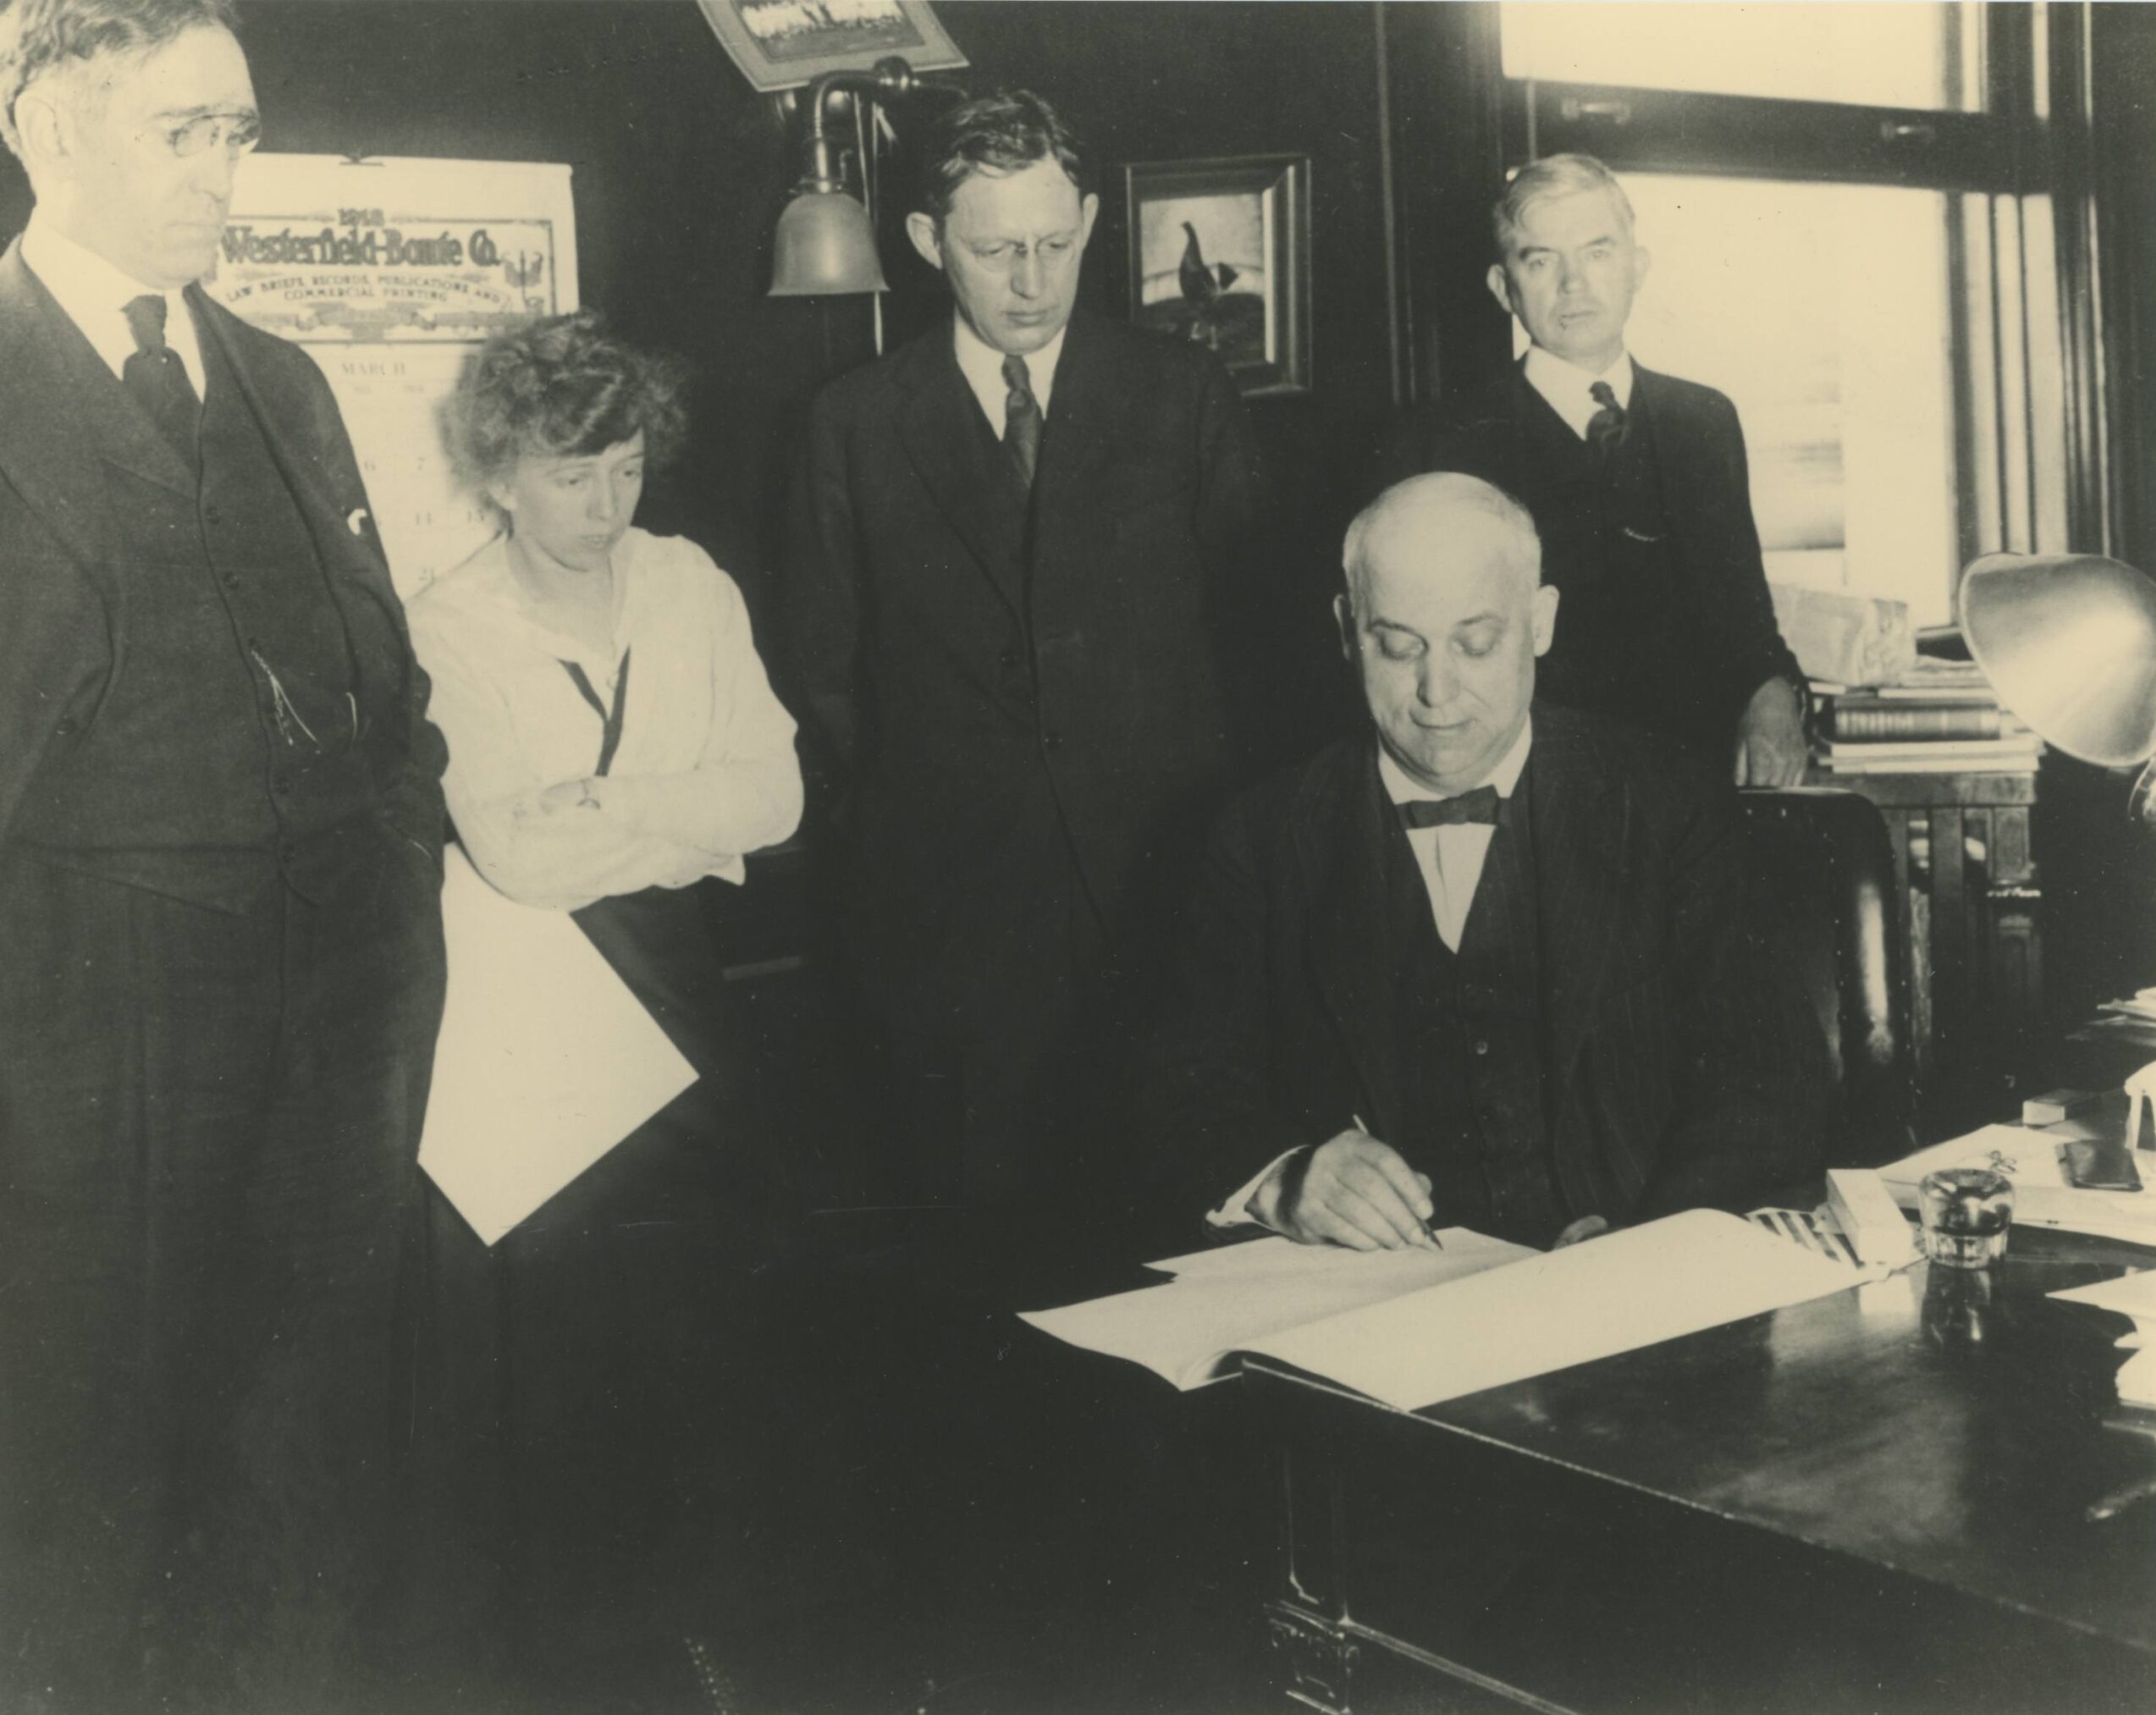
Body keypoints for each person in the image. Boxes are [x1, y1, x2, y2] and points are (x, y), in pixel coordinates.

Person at [0, 3, 448, 1709]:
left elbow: (378, 679)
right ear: (52, 138)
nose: (227, 172)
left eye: (240, 132)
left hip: (330, 1033)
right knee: (83, 1490)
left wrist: (396, 911)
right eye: (185, 132)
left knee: (302, 1467)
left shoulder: (282, 374)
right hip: (86, 1050)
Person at [405, 308, 804, 1695]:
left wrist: (615, 804)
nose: (603, 505)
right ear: (501, 469)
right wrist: (689, 822)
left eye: (626, 467)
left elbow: (778, 792)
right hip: (544, 1021)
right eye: (570, 475)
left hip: (686, 1005)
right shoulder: (446, 626)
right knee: (564, 1364)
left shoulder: (689, 583)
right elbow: (514, 856)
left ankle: (700, 1641)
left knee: (703, 1348)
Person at [784, 88, 1265, 1205]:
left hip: (1171, 891)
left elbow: (1257, 644)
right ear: (925, 242)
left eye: (1055, 244)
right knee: (985, 1247)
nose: (1033, 280)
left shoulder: (1180, 394)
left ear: (1090, 220)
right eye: (997, 250)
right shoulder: (850, 424)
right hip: (950, 926)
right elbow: (821, 671)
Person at [1147, 473, 1826, 1252]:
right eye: (1397, 646)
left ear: (1539, 621)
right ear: (1345, 628)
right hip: (1378, 1312)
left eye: (1475, 643)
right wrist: (1285, 1177)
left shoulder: (1670, 804)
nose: (1436, 691)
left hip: (1637, 1301)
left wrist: (1653, 1241)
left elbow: (1769, 1080)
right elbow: (1179, 1087)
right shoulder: (1261, 836)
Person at [1387, 153, 1808, 788]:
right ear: (1504, 288)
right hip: (1530, 792)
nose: (1573, 284)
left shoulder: (1703, 421)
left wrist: (1772, 694)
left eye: (1597, 252)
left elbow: (1742, 616)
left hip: (1692, 782)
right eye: (1540, 260)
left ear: (1636, 268)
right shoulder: (1446, 441)